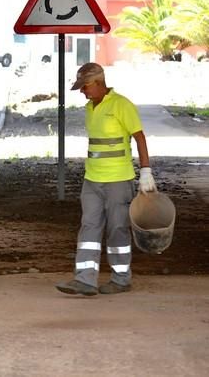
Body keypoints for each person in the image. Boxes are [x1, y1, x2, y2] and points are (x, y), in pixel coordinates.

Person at [56, 62, 156, 296]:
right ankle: (85, 280)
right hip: (92, 179)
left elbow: (139, 137)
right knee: (89, 227)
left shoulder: (121, 105)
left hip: (118, 181)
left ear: (99, 83)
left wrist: (145, 171)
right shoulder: (90, 108)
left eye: (85, 86)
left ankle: (121, 279)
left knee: (117, 229)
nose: (83, 91)